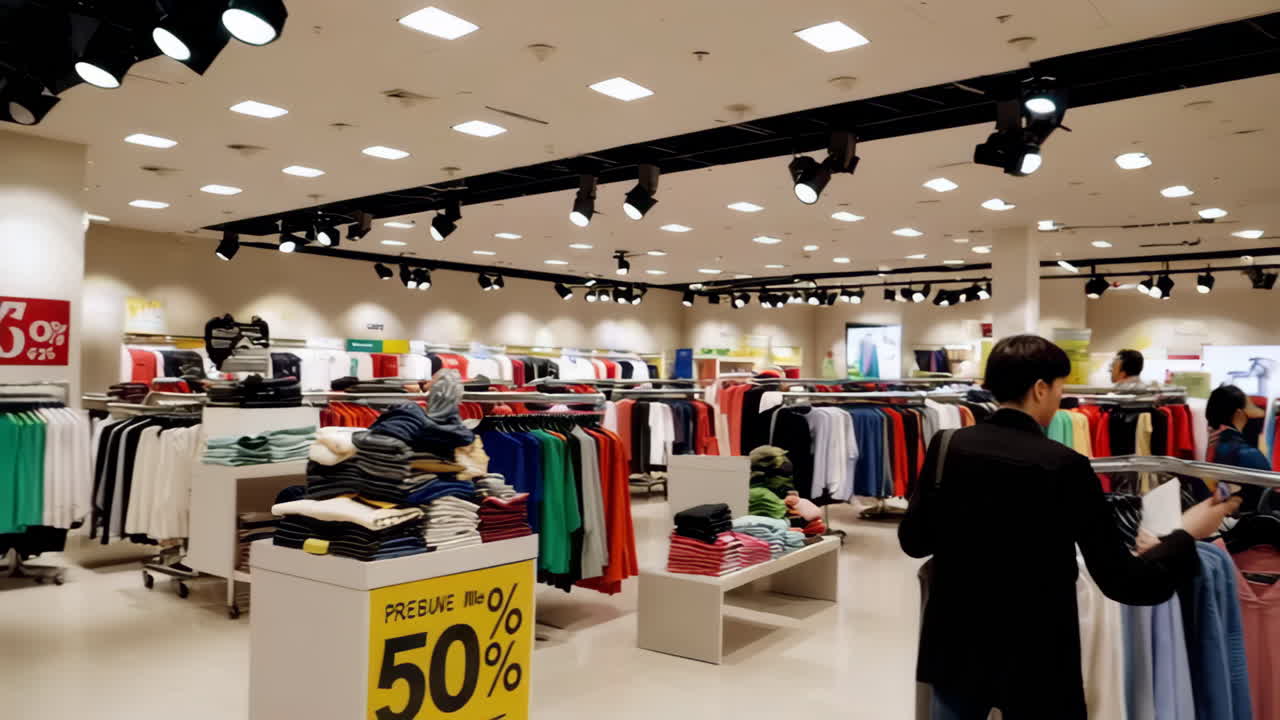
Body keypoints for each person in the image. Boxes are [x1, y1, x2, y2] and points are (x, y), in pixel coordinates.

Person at [899, 334, 1240, 720]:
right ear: (1041, 389)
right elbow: (1122, 580)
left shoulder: (946, 446)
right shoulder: (1066, 467)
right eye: (1060, 389)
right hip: (1035, 657)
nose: (1060, 400)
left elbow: (913, 541)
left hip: (955, 646)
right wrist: (1184, 535)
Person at [1206, 383, 1269, 511]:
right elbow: (1269, 488)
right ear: (1239, 413)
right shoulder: (1246, 453)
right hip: (1251, 520)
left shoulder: (1214, 444)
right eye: (1248, 405)